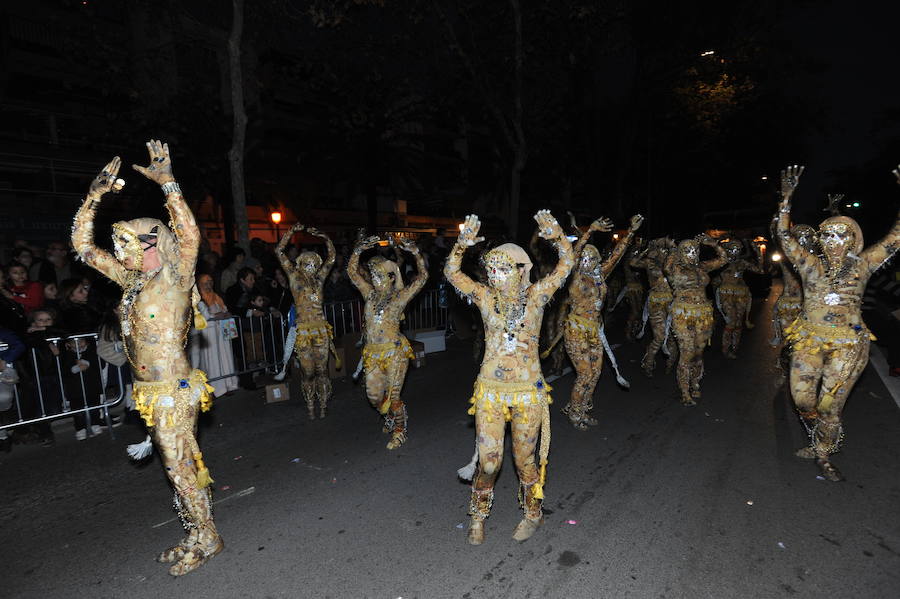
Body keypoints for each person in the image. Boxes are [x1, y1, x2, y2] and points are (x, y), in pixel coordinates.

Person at [71, 141, 222, 575]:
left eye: (135, 244)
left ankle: (208, 536)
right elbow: (83, 247)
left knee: (179, 468)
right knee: (176, 467)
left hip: (174, 392)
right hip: (148, 394)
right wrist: (94, 196)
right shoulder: (131, 282)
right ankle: (196, 531)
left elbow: (190, 235)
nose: (126, 255)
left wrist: (168, 183)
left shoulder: (176, 277)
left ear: (155, 243)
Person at [446, 211, 574, 545]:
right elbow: (451, 272)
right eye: (491, 269)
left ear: (520, 271)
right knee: (488, 463)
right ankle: (478, 515)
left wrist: (557, 235)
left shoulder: (537, 297)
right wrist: (461, 245)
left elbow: (566, 265)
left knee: (524, 462)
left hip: (527, 394)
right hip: (490, 390)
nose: (495, 276)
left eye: (503, 269)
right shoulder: (485, 298)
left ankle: (533, 514)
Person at [777, 164, 900, 481]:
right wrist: (786, 199)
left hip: (848, 344)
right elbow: (782, 235)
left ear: (853, 240)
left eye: (840, 235)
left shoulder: (864, 264)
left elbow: (896, 238)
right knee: (803, 398)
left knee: (830, 406)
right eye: (827, 235)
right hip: (809, 339)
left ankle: (823, 452)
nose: (832, 241)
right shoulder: (809, 264)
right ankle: (821, 432)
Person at [545, 214, 642, 429]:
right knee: (585, 374)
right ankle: (574, 414)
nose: (589, 262)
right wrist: (589, 232)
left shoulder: (599, 276)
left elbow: (616, 256)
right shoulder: (575, 278)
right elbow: (573, 254)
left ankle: (581, 408)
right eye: (585, 259)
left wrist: (631, 232)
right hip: (576, 330)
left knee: (595, 374)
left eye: (593, 258)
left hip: (595, 331)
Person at [348, 234, 427, 449]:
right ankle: (392, 417)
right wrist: (357, 250)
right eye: (373, 275)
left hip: (395, 352)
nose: (374, 279)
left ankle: (400, 431)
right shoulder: (369, 295)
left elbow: (422, 278)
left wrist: (416, 254)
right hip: (372, 352)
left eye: (379, 275)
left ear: (391, 277)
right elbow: (352, 273)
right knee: (374, 397)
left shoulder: (399, 297)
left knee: (393, 396)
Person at [274, 224, 339, 420]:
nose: (311, 266)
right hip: (303, 331)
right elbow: (279, 251)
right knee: (308, 371)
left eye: (314, 263)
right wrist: (290, 233)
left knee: (322, 371)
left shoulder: (319, 279)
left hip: (320, 330)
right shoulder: (294, 276)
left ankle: (323, 403)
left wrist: (325, 238)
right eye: (307, 263)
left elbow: (332, 258)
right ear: (301, 263)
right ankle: (310, 403)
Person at [665, 234, 727, 406]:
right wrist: (672, 248)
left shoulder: (703, 267)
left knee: (698, 353)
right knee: (687, 353)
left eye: (695, 250)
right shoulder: (674, 268)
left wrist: (714, 244)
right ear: (680, 253)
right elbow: (666, 268)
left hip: (704, 314)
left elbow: (723, 259)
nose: (692, 253)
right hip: (682, 314)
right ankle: (685, 391)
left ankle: (695, 381)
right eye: (688, 250)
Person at [630, 237, 678, 376]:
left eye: (665, 249)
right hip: (656, 301)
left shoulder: (675, 264)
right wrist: (643, 250)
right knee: (659, 336)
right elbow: (633, 262)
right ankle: (648, 363)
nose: (662, 252)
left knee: (673, 336)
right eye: (660, 249)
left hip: (673, 302)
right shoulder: (650, 263)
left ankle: (670, 364)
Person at [769, 222, 818, 348]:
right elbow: (777, 240)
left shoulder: (816, 261)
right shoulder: (786, 258)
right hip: (787, 304)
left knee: (805, 342)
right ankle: (786, 362)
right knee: (788, 340)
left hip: (807, 306)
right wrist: (778, 221)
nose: (803, 240)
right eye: (799, 237)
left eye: (807, 237)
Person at [714, 239, 764, 358]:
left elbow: (760, 270)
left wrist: (758, 252)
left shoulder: (742, 263)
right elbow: (713, 279)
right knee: (731, 322)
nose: (735, 252)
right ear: (727, 250)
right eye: (733, 249)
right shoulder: (721, 262)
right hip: (725, 294)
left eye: (738, 249)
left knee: (738, 322)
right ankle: (726, 349)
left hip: (741, 294)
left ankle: (735, 348)